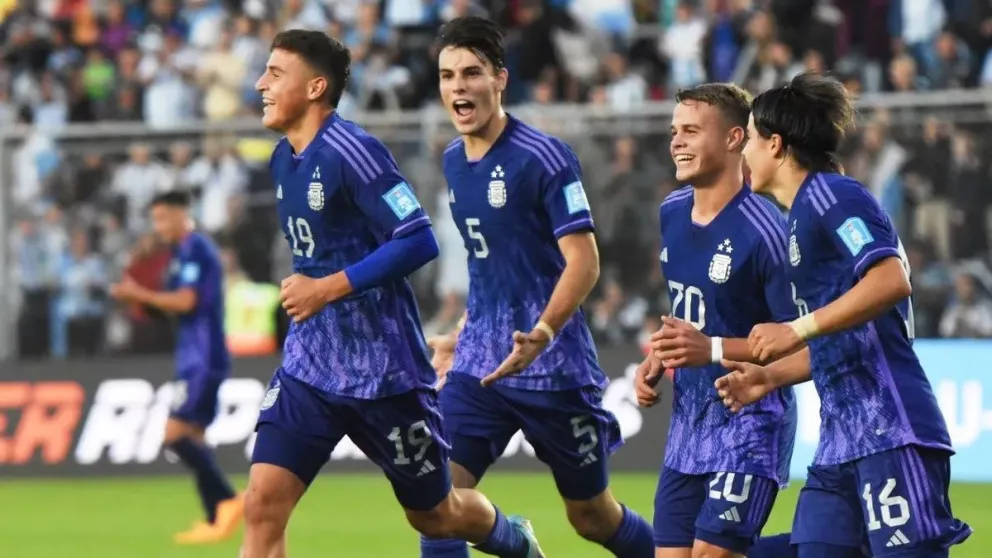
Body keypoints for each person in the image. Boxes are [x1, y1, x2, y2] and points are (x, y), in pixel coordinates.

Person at [244, 29, 544, 558]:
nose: (259, 84)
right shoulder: (282, 160)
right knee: (262, 504)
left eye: (274, 73)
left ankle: (512, 539)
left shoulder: (353, 151)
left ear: (315, 87)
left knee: (438, 514)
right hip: (309, 368)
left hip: (384, 376)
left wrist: (327, 289)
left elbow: (418, 238)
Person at [423, 16, 655, 558]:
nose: (458, 86)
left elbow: (585, 261)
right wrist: (464, 331)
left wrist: (544, 331)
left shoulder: (544, 157)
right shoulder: (454, 162)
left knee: (593, 517)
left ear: (499, 79)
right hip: (480, 366)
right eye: (447, 75)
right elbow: (494, 269)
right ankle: (518, 545)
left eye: (472, 73)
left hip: (553, 370)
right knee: (436, 503)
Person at [716, 72, 972, 558]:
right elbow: (844, 337)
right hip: (842, 441)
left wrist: (794, 329)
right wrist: (770, 378)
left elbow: (890, 279)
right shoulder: (800, 216)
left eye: (747, 140)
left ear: (775, 145)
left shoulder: (833, 195)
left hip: (891, 429)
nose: (741, 152)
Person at [633, 82, 799, 558]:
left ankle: (835, 546)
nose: (676, 142)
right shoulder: (671, 212)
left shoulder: (767, 231)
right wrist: (660, 358)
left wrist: (713, 350)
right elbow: (688, 312)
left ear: (732, 139)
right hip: (689, 426)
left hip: (751, 423)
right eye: (673, 131)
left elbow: (799, 341)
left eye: (690, 131)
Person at [109, 190, 242, 544]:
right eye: (155, 219)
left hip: (204, 356)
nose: (159, 226)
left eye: (163, 218)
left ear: (184, 214)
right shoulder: (179, 254)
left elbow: (186, 301)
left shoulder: (197, 249)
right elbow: (168, 307)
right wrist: (134, 294)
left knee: (174, 435)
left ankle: (228, 500)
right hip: (193, 354)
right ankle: (216, 518)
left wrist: (139, 294)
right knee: (194, 436)